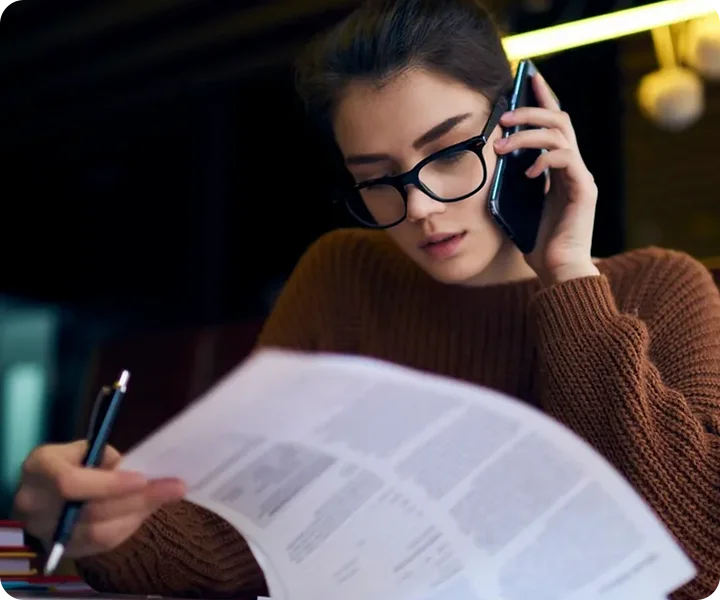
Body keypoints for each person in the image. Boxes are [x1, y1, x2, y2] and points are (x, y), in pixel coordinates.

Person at [12, 0, 720, 598]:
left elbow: (703, 558)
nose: (418, 207)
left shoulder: (662, 287)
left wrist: (566, 273)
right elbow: (251, 533)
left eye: (447, 153)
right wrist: (101, 522)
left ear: (525, 127)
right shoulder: (345, 274)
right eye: (377, 177)